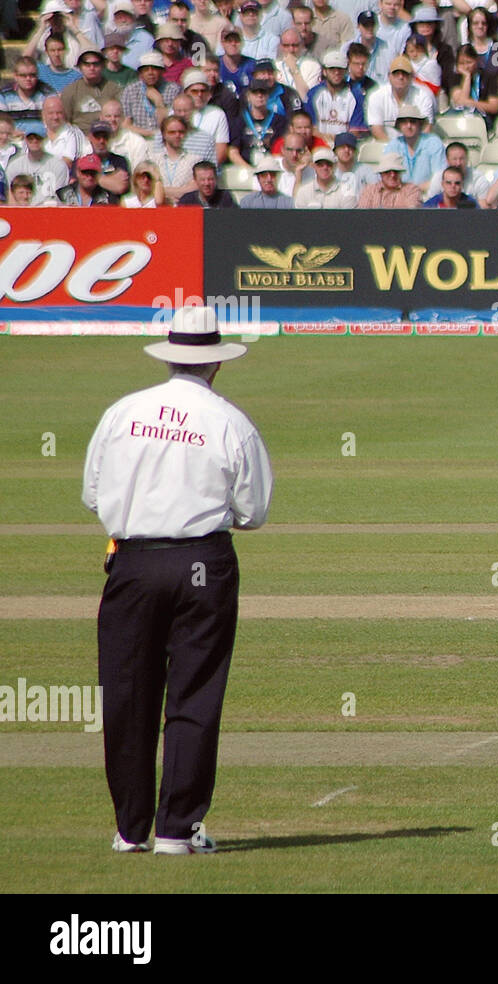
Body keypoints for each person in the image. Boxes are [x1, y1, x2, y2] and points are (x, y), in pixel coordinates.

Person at [82, 305, 273, 856]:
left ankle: (131, 829)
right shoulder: (229, 420)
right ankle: (177, 831)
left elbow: (93, 496)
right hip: (201, 566)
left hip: (133, 562)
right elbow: (254, 511)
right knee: (194, 695)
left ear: (170, 359)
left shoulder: (123, 413)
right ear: (216, 364)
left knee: (127, 694)